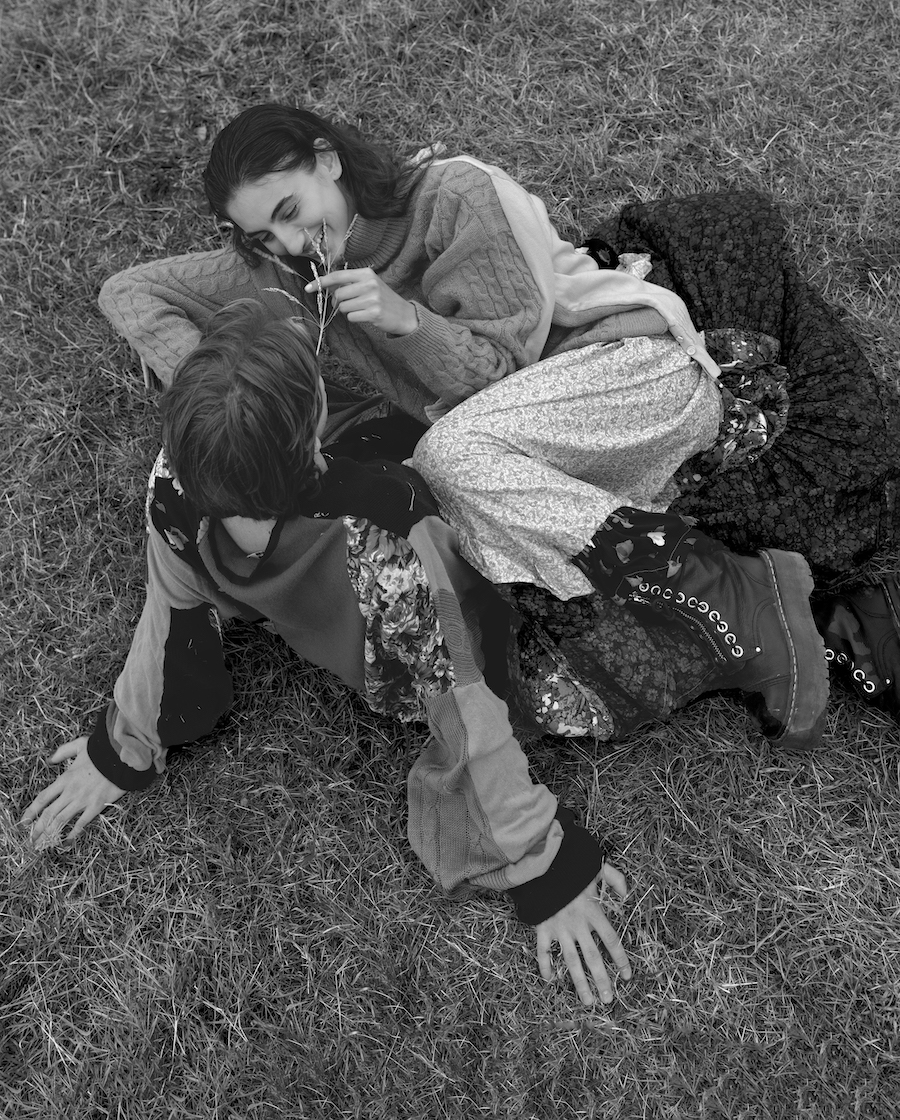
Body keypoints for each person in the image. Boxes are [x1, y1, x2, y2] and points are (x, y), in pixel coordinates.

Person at [21, 303, 834, 1007]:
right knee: (588, 676)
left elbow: (174, 621)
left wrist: (129, 744)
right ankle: (750, 598)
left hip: (420, 573)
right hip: (433, 612)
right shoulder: (382, 541)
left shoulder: (176, 486)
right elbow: (463, 697)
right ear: (311, 432)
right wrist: (542, 868)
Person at [98, 105, 900, 709]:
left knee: (446, 459)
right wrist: (233, 392)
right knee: (429, 507)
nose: (286, 243)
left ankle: (732, 593)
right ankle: (718, 595)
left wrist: (408, 322)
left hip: (627, 375)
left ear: (328, 161)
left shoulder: (454, 196)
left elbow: (504, 372)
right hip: (532, 450)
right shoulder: (284, 270)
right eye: (261, 236)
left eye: (289, 211)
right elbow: (130, 293)